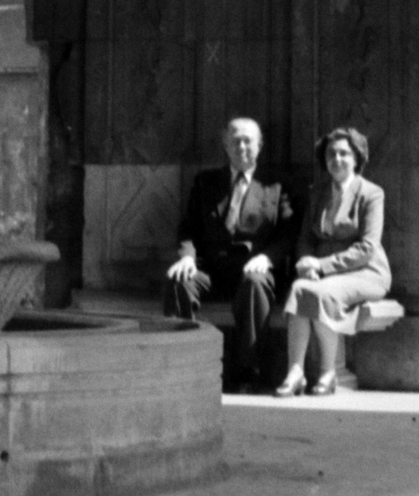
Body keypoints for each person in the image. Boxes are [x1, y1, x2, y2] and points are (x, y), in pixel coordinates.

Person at [164, 117, 296, 389]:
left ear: (259, 145)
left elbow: (288, 234)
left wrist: (267, 258)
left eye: (248, 140)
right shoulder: (205, 182)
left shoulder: (277, 184)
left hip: (254, 270)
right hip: (212, 268)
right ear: (225, 144)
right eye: (236, 140)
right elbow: (189, 227)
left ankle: (249, 372)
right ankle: (182, 368)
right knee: (179, 282)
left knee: (254, 285)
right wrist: (186, 257)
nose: (242, 146)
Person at [274, 127, 391, 397]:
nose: (336, 159)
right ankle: (295, 372)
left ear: (356, 158)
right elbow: (305, 238)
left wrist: (322, 266)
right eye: (331, 154)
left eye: (344, 154)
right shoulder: (318, 193)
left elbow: (366, 247)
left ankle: (328, 371)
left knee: (320, 292)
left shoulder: (372, 194)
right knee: (301, 288)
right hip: (322, 272)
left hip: (366, 272)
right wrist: (306, 263)